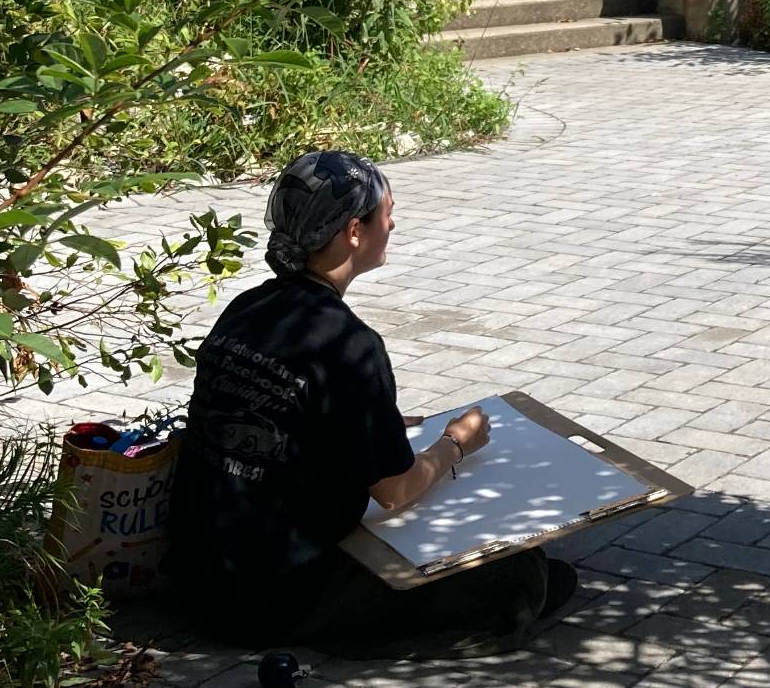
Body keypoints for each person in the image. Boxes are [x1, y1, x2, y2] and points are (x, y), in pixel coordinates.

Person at [165, 150, 574, 655]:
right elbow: (395, 491)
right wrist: (454, 444)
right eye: (387, 213)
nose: (394, 224)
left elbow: (273, 414)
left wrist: (371, 425)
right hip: (276, 596)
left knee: (533, 568)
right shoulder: (348, 343)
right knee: (521, 573)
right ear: (353, 231)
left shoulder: (248, 307)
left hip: (194, 571)